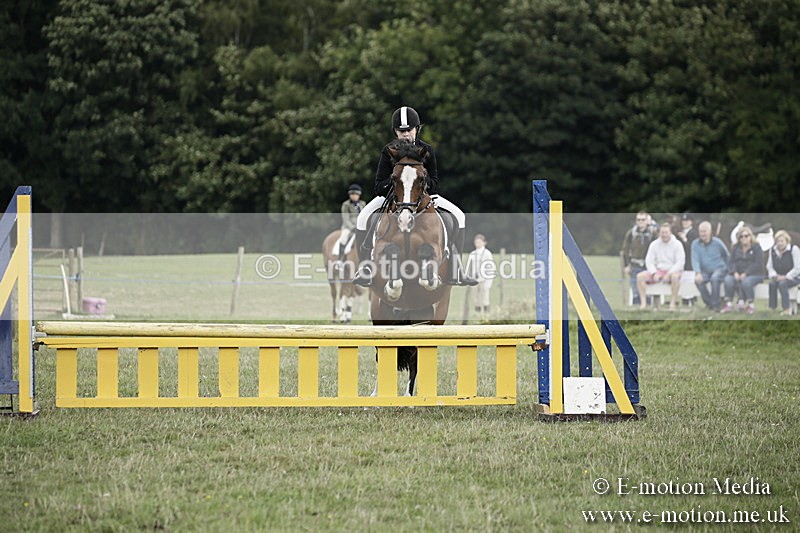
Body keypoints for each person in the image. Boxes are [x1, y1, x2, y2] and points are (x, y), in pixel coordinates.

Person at [352, 106, 477, 286]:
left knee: (459, 215)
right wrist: (398, 184)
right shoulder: (388, 151)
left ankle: (457, 269)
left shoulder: (426, 150)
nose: (405, 134)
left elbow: (434, 182)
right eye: (401, 131)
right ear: (395, 131)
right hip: (392, 198)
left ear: (417, 129)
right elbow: (378, 185)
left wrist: (418, 185)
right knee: (363, 217)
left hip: (423, 197)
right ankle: (364, 268)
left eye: (409, 130)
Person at [636, 223, 685, 311]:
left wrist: (669, 273)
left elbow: (680, 262)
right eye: (662, 232)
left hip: (673, 271)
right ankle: (643, 305)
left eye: (666, 232)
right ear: (659, 233)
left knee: (675, 277)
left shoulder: (677, 244)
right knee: (640, 276)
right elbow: (649, 261)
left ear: (670, 232)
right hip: (658, 270)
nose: (664, 235)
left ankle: (672, 304)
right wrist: (654, 273)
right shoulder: (654, 244)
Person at [721, 227, 764, 314]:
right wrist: (735, 272)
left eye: (746, 236)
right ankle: (729, 304)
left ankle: (750, 305)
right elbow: (731, 262)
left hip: (755, 274)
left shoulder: (757, 248)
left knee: (746, 282)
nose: (744, 238)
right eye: (741, 236)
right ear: (739, 238)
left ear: (750, 236)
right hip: (738, 273)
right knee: (728, 279)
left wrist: (746, 273)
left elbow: (758, 264)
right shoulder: (735, 248)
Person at [621, 211, 658, 305]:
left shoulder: (652, 233)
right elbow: (625, 249)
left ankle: (647, 309)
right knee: (635, 290)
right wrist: (626, 265)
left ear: (647, 220)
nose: (640, 221)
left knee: (648, 290)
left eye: (643, 219)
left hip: (648, 266)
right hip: (634, 265)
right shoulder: (631, 233)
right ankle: (636, 309)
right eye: (638, 220)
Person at [692, 221, 729, 311]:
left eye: (704, 231)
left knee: (715, 278)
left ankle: (715, 304)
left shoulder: (718, 242)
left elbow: (726, 255)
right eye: (700, 231)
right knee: (698, 281)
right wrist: (698, 272)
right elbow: (695, 259)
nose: (702, 234)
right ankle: (709, 303)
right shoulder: (695, 244)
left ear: (710, 231)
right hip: (705, 271)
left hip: (719, 269)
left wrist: (728, 269)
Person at [766, 230, 800, 315]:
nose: (780, 243)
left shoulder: (793, 249)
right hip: (779, 277)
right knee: (772, 284)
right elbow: (769, 266)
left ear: (786, 241)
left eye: (782, 241)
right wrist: (774, 275)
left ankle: (786, 308)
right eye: (778, 241)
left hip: (794, 277)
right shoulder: (773, 250)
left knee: (782, 284)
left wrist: (786, 276)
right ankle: (772, 308)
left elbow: (797, 267)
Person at [337, 183, 365, 266]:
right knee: (343, 238)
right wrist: (352, 227)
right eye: (352, 194)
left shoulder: (363, 204)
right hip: (349, 227)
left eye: (356, 194)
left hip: (361, 226)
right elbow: (345, 218)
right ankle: (341, 259)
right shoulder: (346, 204)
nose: (354, 196)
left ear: (359, 195)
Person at [467, 234, 494, 315]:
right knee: (475, 297)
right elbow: (469, 267)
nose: (477, 243)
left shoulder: (487, 253)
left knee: (485, 297)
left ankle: (486, 314)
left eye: (479, 242)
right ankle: (477, 314)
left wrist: (489, 281)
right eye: (476, 242)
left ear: (484, 243)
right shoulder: (472, 254)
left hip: (484, 279)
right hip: (474, 279)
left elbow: (490, 268)